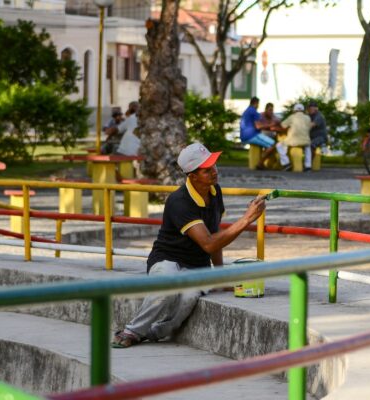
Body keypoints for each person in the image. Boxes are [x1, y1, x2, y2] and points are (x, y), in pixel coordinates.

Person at [112, 142, 266, 348]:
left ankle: (152, 333)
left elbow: (215, 234)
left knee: (188, 298)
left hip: (196, 266)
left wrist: (218, 274)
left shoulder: (215, 192)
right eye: (207, 170)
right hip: (167, 259)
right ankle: (132, 330)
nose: (214, 172)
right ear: (192, 176)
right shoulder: (179, 201)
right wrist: (246, 219)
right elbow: (209, 243)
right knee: (168, 285)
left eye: (214, 166)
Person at [240, 97, 277, 170]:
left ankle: (262, 163)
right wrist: (271, 125)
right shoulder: (254, 111)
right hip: (251, 135)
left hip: (244, 135)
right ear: (256, 103)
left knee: (267, 144)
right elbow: (258, 126)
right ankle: (260, 163)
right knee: (272, 144)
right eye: (258, 104)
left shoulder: (246, 111)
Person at [277, 103, 312, 172]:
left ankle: (286, 163)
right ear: (303, 110)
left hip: (293, 141)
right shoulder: (308, 118)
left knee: (279, 145)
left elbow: (282, 125)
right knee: (308, 148)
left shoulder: (292, 117)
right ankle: (308, 166)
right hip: (305, 141)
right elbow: (309, 128)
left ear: (294, 110)